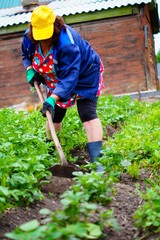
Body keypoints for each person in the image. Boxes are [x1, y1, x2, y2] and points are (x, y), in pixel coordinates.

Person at [21, 5, 104, 169]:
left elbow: (70, 77)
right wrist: (30, 69)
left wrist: (53, 97)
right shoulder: (29, 37)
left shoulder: (67, 44)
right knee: (55, 114)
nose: (43, 39)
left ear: (55, 26)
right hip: (56, 78)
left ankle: (98, 161)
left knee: (87, 112)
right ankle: (50, 152)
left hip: (84, 74)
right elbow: (26, 55)